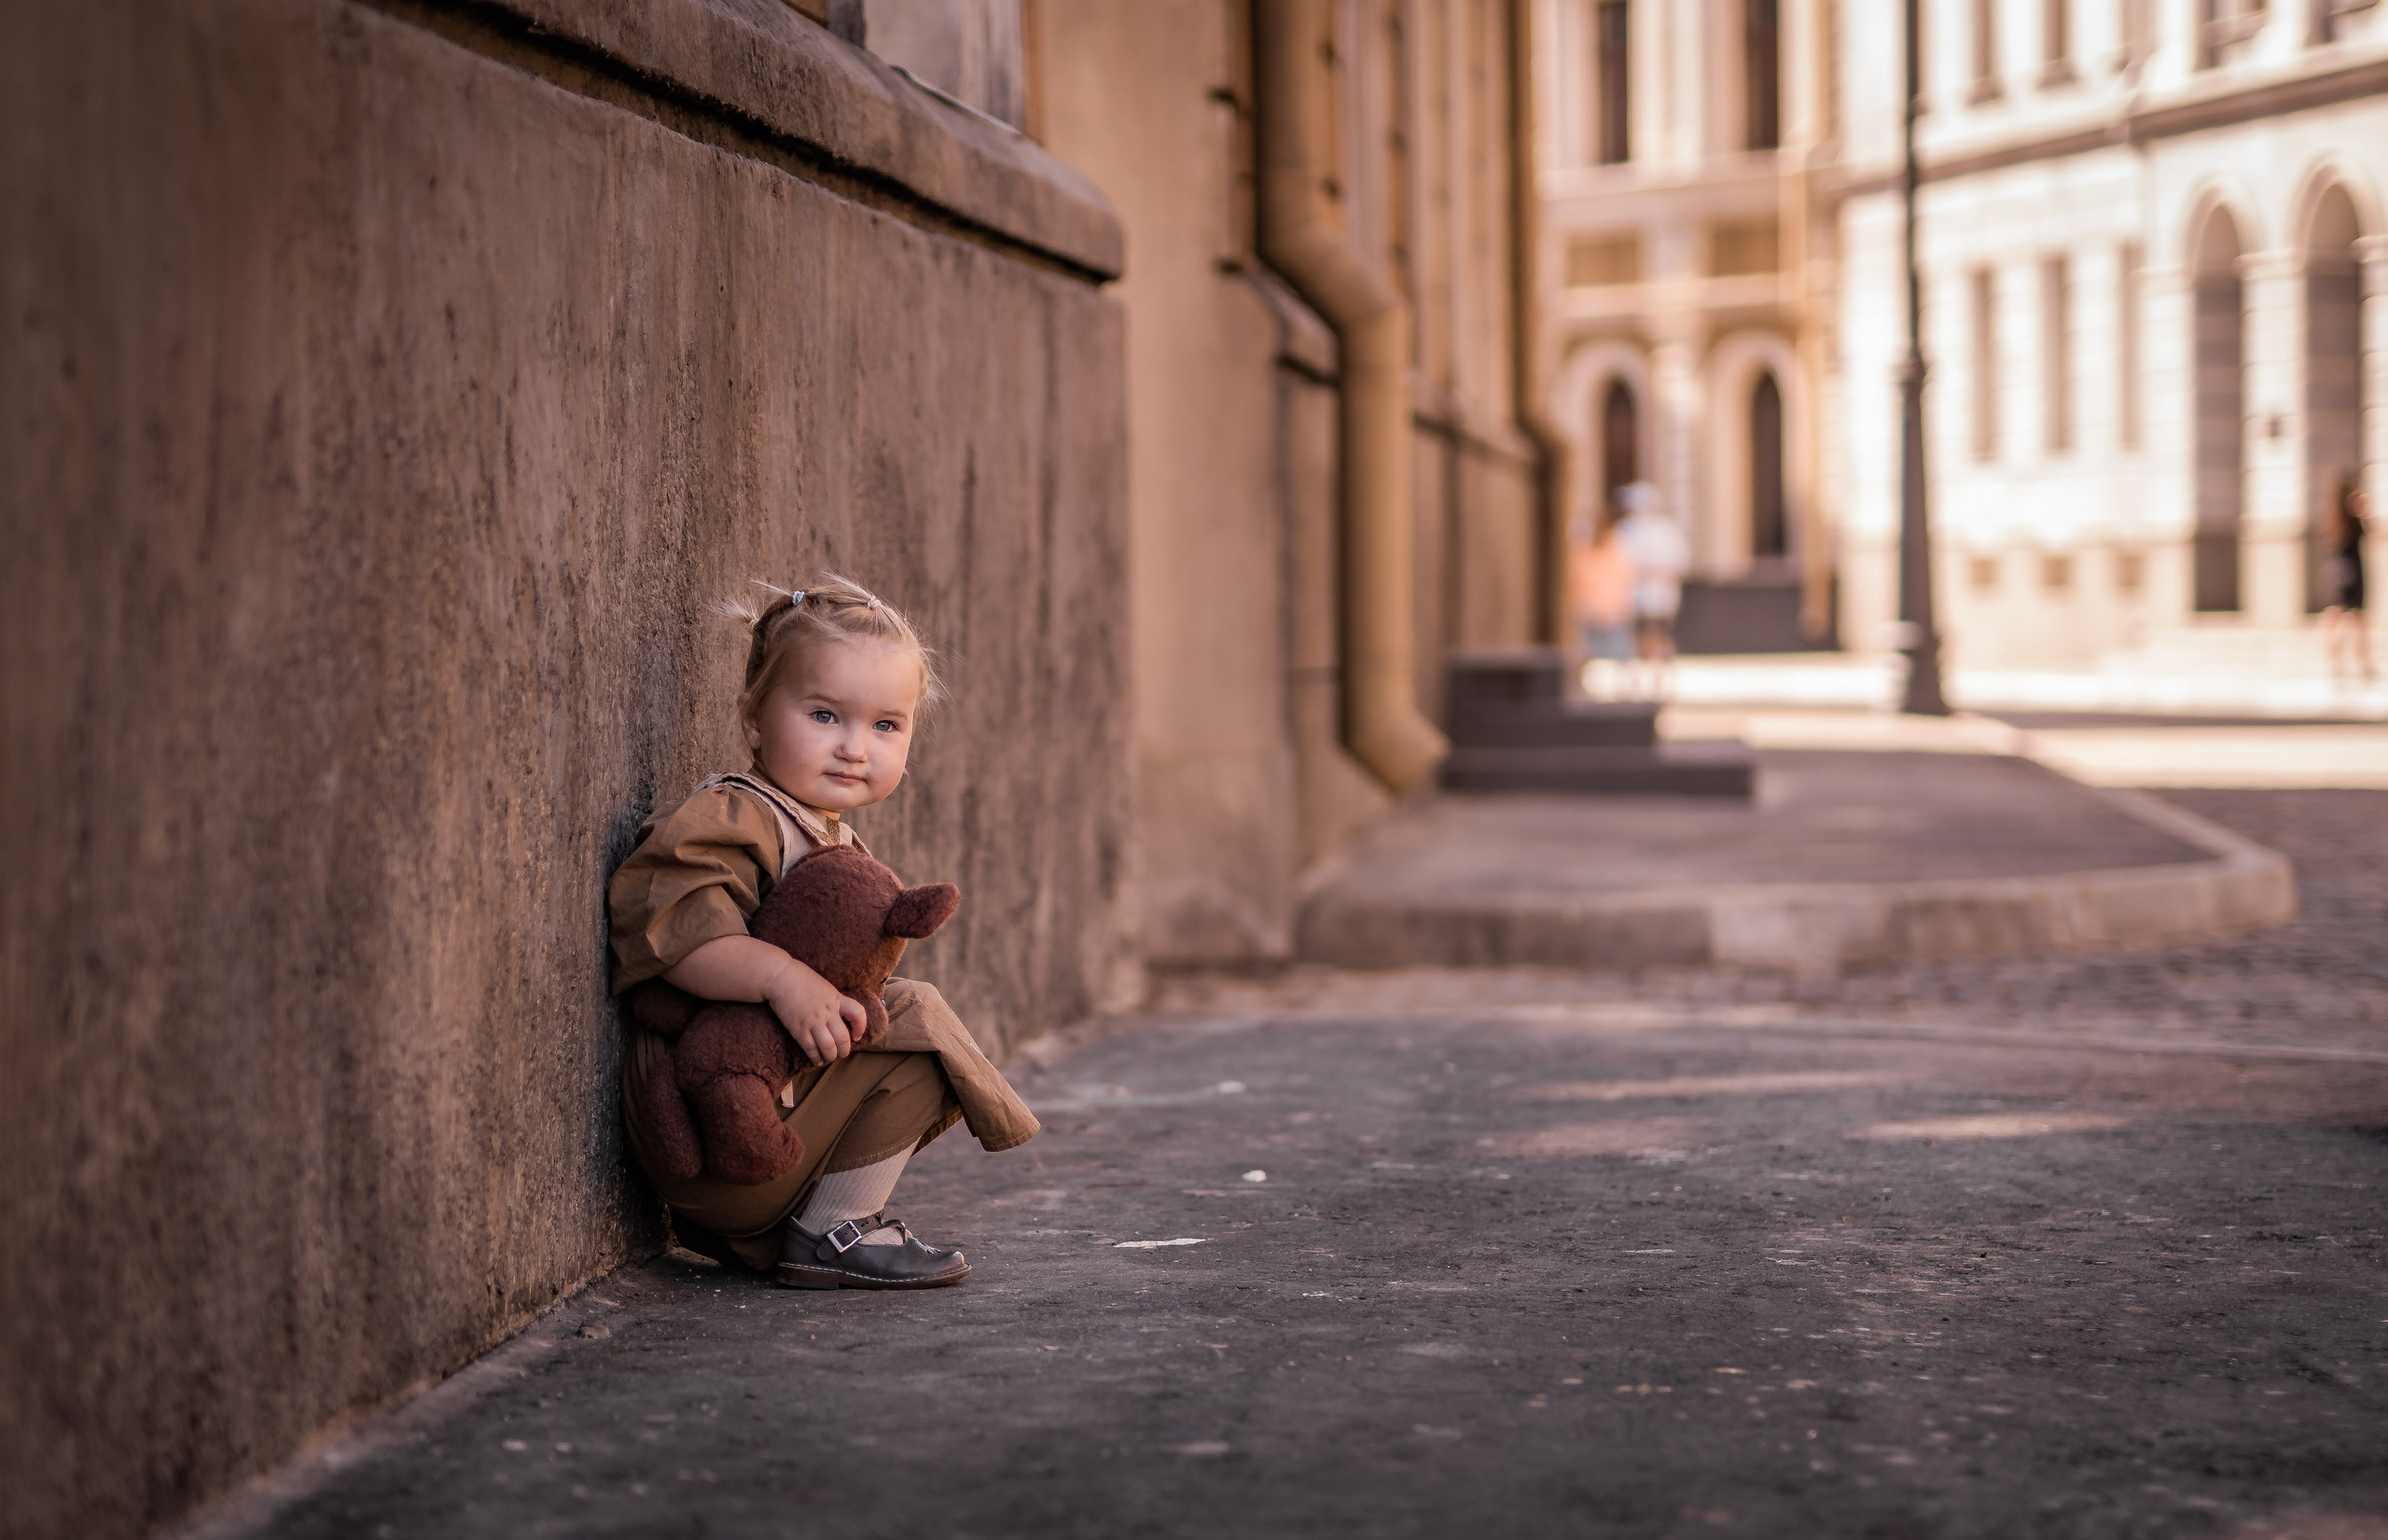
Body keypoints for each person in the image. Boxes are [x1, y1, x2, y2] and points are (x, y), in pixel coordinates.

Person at [607, 576, 1039, 1289]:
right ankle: (827, 1234)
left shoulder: (833, 841)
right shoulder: (733, 815)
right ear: (752, 717)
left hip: (763, 1140)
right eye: (823, 715)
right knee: (918, 1018)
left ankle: (820, 1220)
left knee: (904, 1027)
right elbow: (673, 933)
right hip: (701, 1122)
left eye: (885, 726)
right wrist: (783, 978)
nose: (853, 748)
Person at [1613, 482, 1689, 700]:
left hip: (1656, 594)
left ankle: (1659, 680)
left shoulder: (1663, 530)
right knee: (1640, 638)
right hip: (1635, 595)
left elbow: (1678, 564)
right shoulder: (1627, 530)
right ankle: (1639, 680)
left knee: (1658, 636)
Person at [1567, 514, 1637, 700]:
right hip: (1592, 612)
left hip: (1611, 612)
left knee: (1621, 654)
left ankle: (1627, 688)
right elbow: (1578, 582)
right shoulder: (1586, 555)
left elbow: (1623, 582)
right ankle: (1577, 688)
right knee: (1584, 653)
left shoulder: (1615, 555)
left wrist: (1622, 606)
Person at [2322, 471, 2375, 685]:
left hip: (2339, 568)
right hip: (2353, 568)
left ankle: (2337, 663)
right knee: (2356, 616)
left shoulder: (2335, 516)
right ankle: (2362, 663)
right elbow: (2370, 529)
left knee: (2338, 614)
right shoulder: (2352, 515)